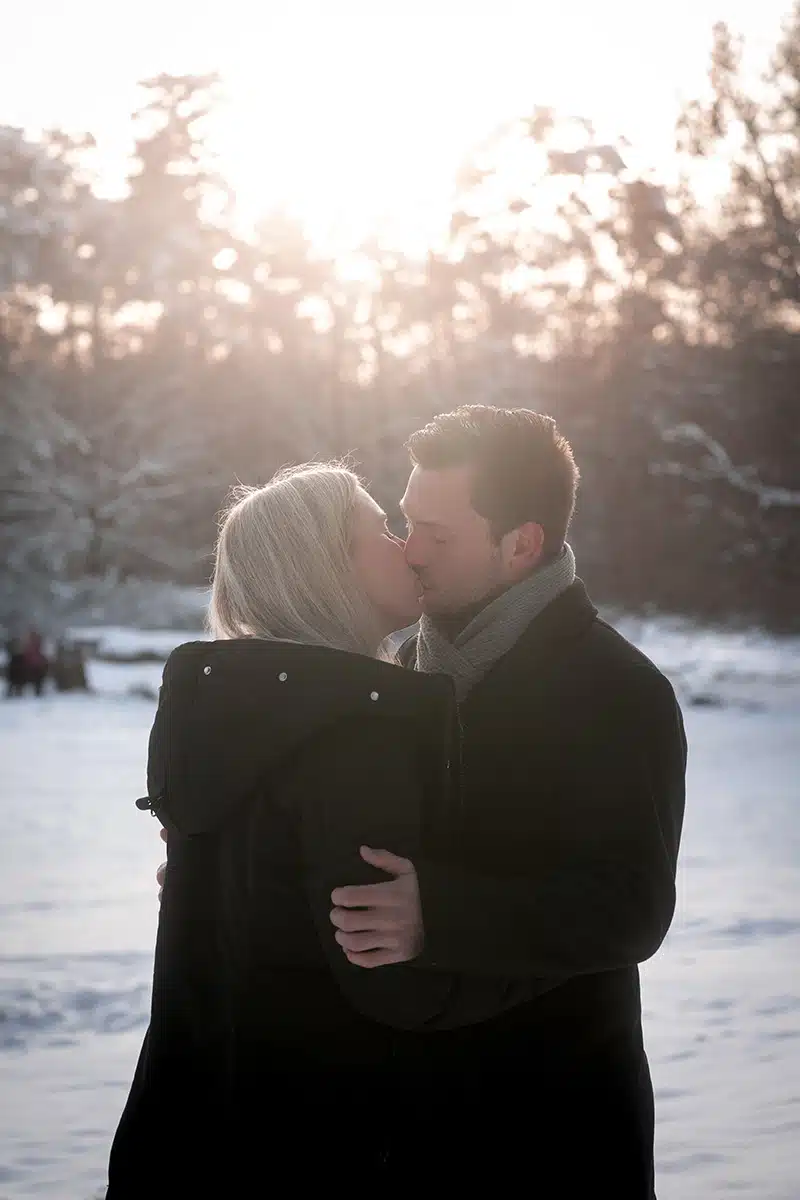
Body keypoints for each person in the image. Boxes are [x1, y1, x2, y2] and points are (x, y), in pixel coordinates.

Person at [106, 465, 534, 1198]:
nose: (408, 548)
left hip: (182, 1134)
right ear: (325, 569)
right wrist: (541, 959)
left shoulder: (216, 714)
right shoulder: (353, 734)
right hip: (314, 1149)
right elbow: (388, 980)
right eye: (382, 532)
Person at [326, 407, 687, 1196]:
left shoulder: (620, 693)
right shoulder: (394, 673)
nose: (409, 551)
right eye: (407, 522)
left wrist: (440, 915)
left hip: (552, 1133)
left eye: (439, 535)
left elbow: (629, 908)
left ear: (520, 544)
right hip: (400, 1130)